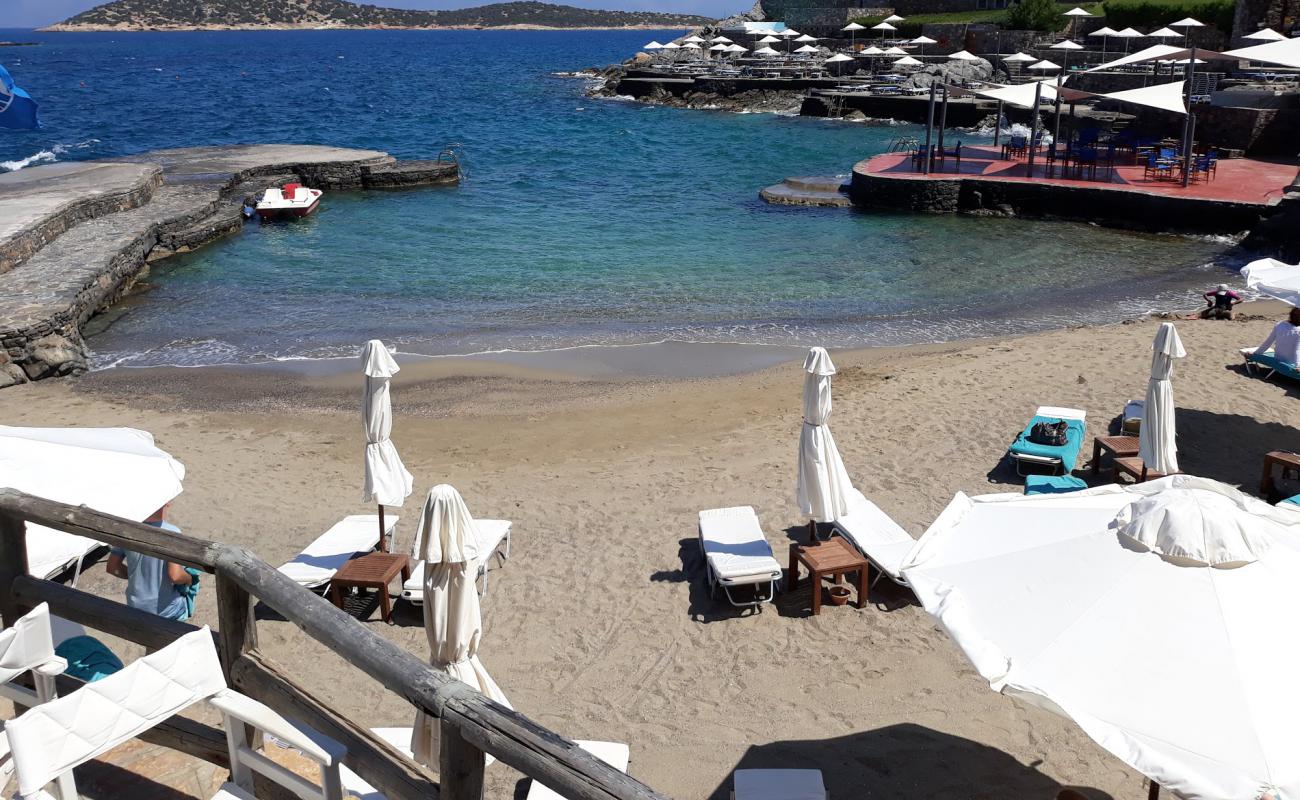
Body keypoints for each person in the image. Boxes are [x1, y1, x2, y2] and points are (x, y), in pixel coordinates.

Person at [106, 504, 198, 621]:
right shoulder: (172, 532)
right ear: (167, 502)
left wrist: (135, 577)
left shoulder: (127, 530)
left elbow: (112, 567)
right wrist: (190, 579)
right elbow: (175, 576)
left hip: (135, 607)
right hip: (166, 611)